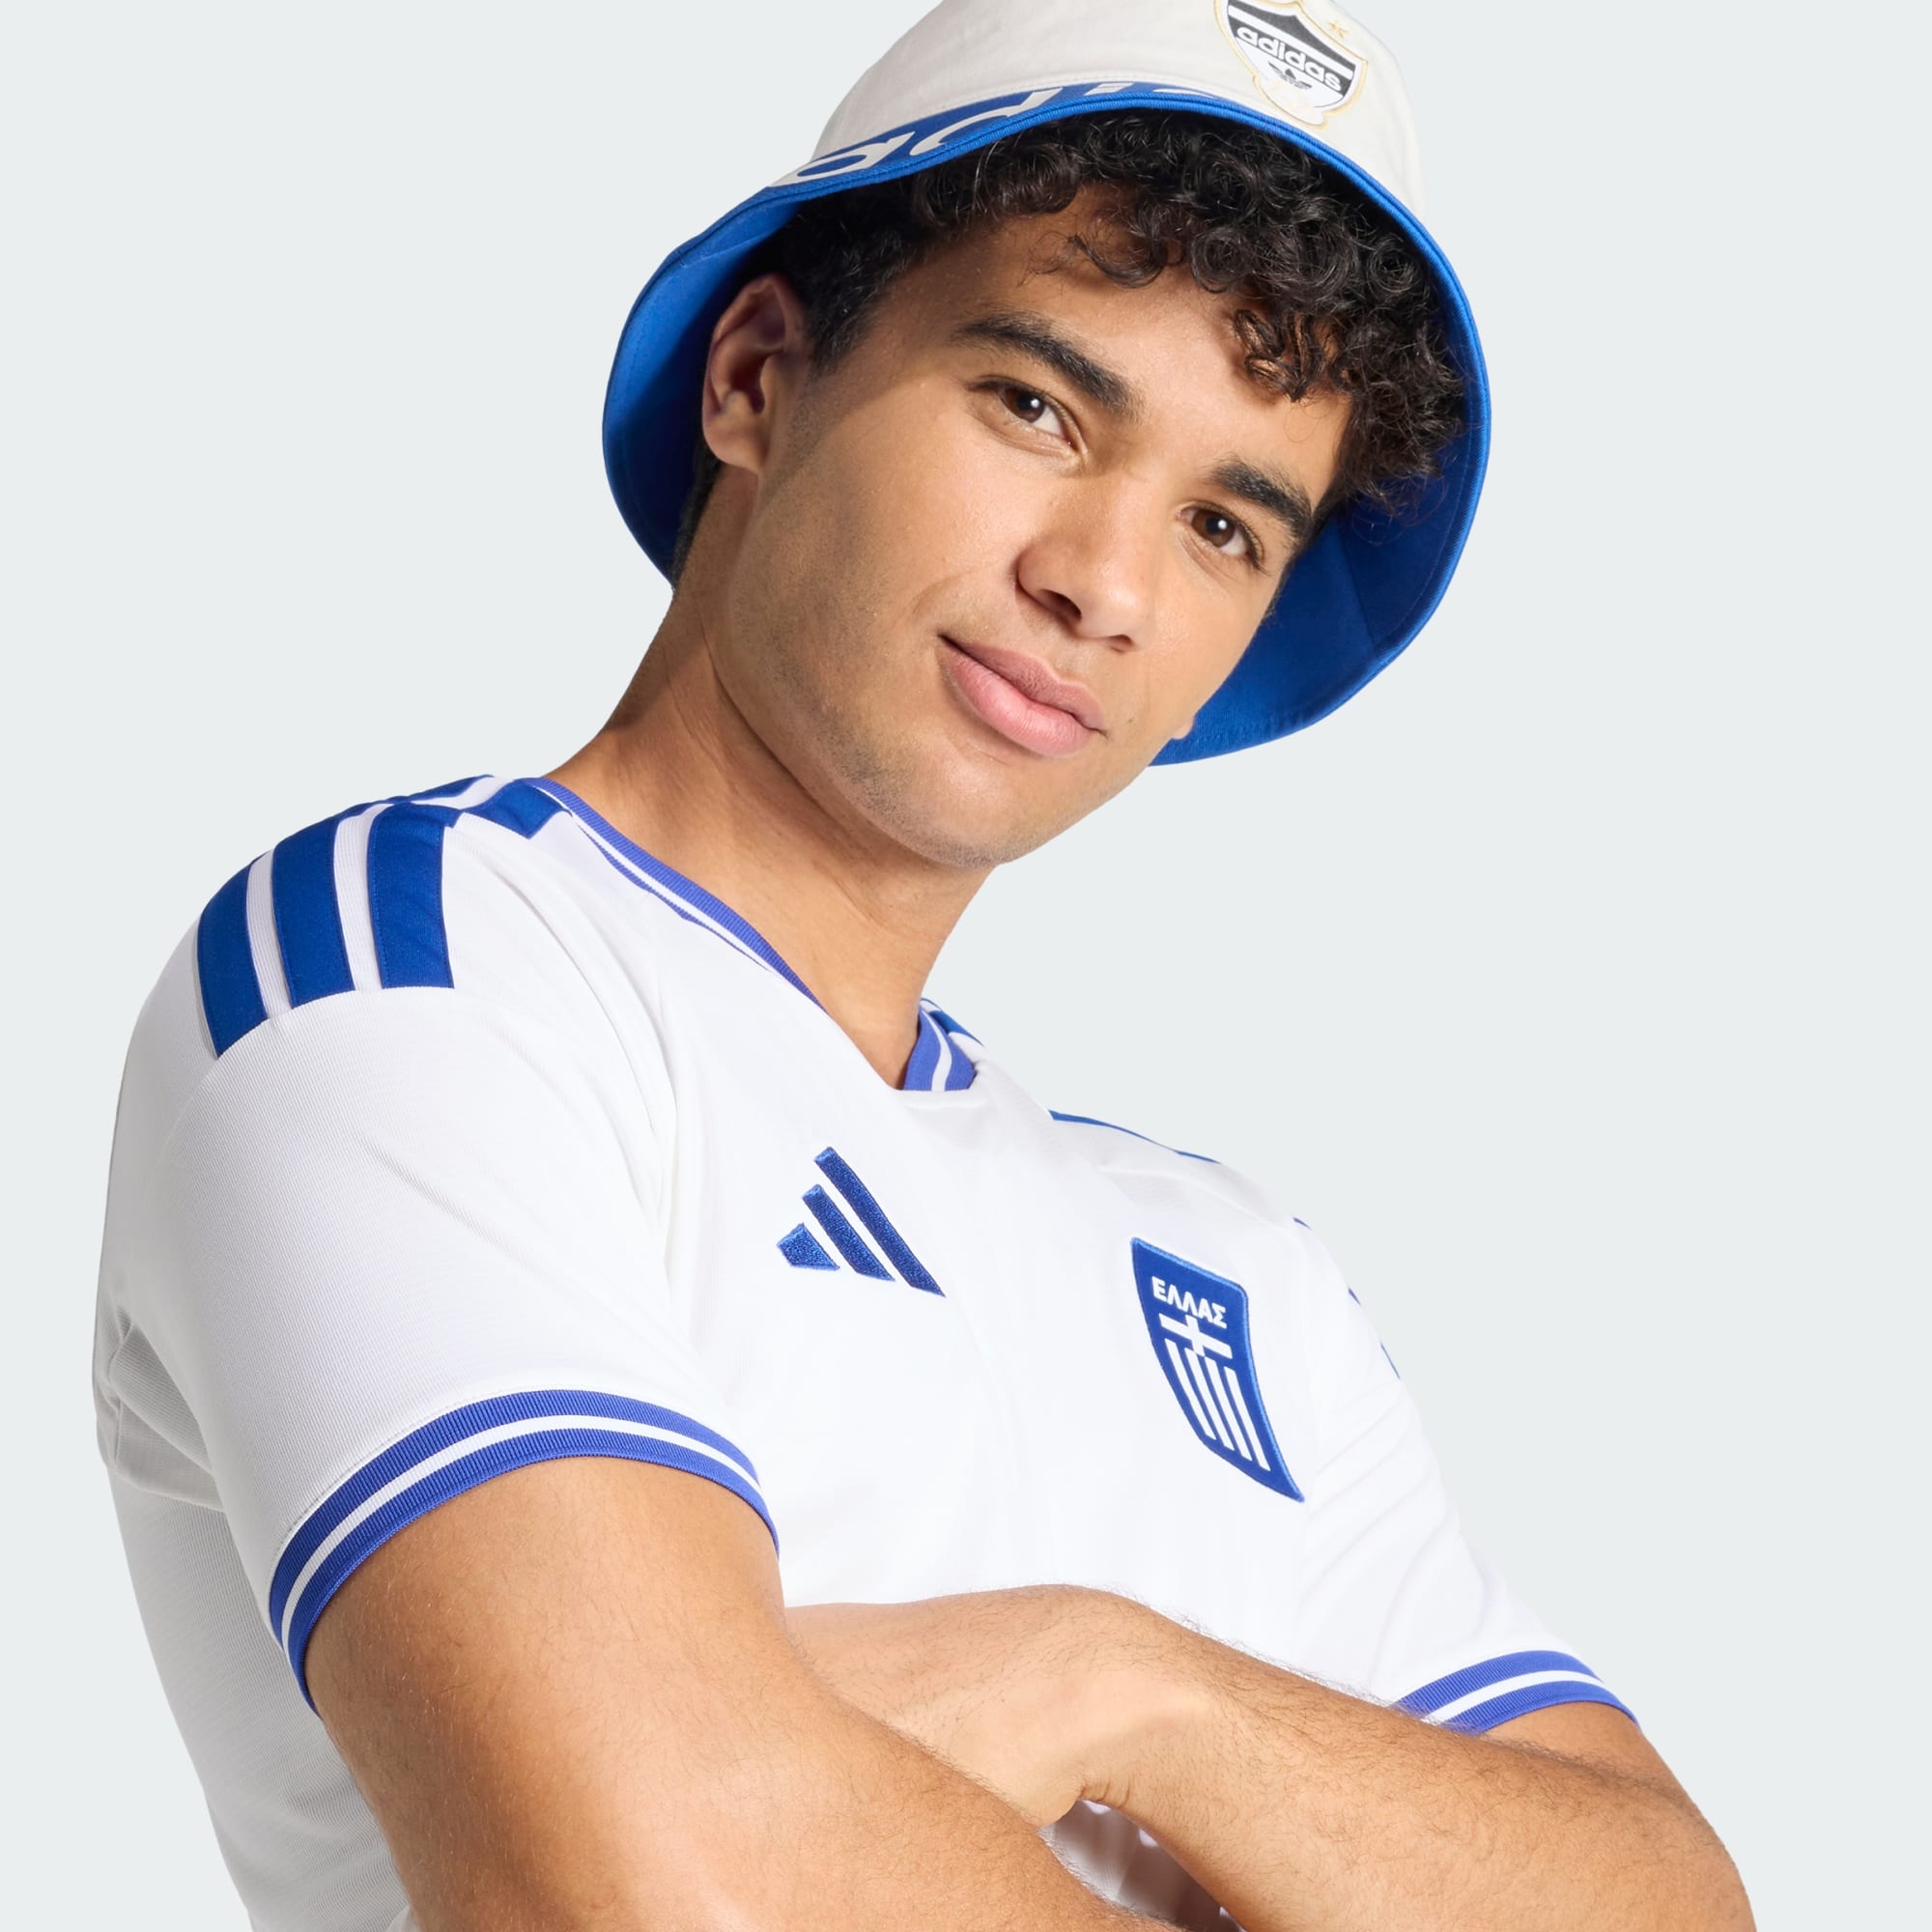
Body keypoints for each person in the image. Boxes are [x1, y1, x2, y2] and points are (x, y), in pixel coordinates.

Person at [94, 3, 1753, 1927]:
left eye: (1223, 524)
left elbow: (1669, 1902)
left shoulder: (1242, 1279)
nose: (1104, 584)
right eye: (1038, 408)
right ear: (758, 376)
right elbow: (659, 1889)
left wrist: (1119, 1683)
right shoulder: (416, 977)